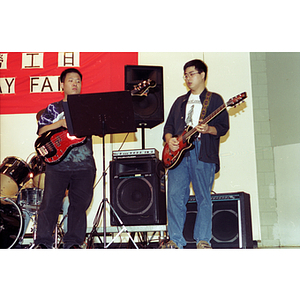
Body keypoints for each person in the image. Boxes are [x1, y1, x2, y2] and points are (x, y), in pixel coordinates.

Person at [162, 59, 229, 249]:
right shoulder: (179, 101)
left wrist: (208, 129)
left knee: (203, 197)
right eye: (185, 75)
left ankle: (202, 240)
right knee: (175, 197)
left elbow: (223, 128)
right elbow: (168, 127)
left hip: (203, 152)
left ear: (202, 75)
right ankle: (175, 240)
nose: (188, 78)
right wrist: (170, 140)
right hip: (178, 156)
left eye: (191, 74)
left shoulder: (215, 100)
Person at [34, 68, 96, 249]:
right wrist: (60, 123)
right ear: (62, 84)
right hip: (57, 165)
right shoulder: (54, 108)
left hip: (84, 165)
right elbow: (41, 131)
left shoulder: (88, 107)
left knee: (79, 206)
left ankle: (74, 243)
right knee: (50, 204)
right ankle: (43, 242)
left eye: (78, 80)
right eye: (71, 80)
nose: (75, 83)